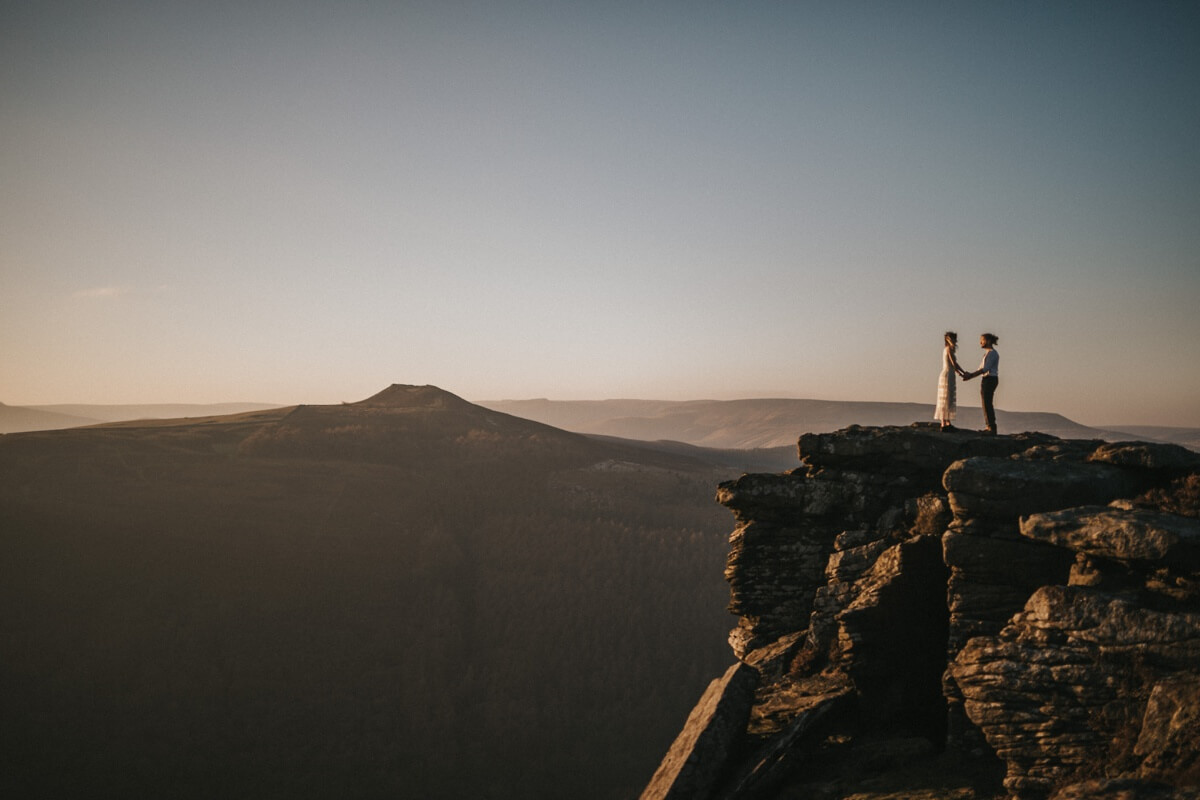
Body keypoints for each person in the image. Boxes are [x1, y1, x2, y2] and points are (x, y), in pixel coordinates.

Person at [962, 333, 1000, 434]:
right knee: (986, 403)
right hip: (988, 379)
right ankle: (989, 426)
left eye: (982, 340)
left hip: (990, 379)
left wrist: (971, 375)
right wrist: (970, 376)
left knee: (987, 403)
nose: (980, 342)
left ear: (987, 341)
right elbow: (980, 369)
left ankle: (991, 427)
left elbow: (985, 369)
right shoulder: (987, 354)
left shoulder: (992, 353)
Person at [935, 331, 968, 431]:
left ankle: (946, 422)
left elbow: (953, 364)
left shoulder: (947, 349)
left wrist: (960, 373)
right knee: (946, 397)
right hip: (948, 374)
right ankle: (944, 423)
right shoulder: (949, 349)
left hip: (949, 373)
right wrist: (963, 372)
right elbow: (954, 363)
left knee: (947, 398)